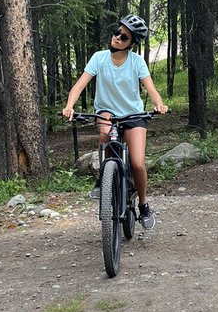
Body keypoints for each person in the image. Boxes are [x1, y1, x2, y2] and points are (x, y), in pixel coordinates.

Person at [62, 15, 168, 230]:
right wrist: (69, 106)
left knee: (138, 163)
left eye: (124, 36)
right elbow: (79, 85)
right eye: (117, 32)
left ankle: (143, 204)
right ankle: (104, 178)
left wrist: (160, 104)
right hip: (107, 112)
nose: (117, 37)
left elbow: (151, 89)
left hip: (133, 115)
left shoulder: (137, 62)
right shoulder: (99, 58)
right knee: (105, 132)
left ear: (131, 43)